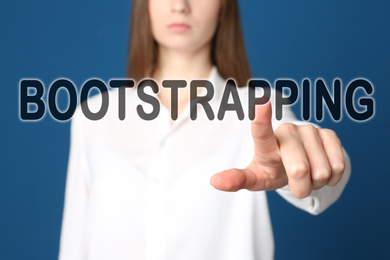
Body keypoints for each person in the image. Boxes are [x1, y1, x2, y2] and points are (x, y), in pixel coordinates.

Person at [58, 0, 351, 259]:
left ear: (224, 6)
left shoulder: (258, 108)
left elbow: (320, 170)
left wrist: (308, 162)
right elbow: (74, 245)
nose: (180, 5)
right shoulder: (93, 117)